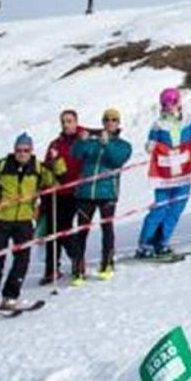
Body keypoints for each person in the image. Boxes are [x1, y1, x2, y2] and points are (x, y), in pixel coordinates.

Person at [0, 134, 55, 308]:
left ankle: (11, 294)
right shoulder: (4, 164)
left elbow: (55, 179)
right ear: (14, 150)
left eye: (26, 150)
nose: (22, 154)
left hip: (24, 219)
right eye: (19, 150)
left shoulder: (38, 168)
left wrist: (57, 163)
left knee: (22, 259)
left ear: (31, 151)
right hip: (1, 218)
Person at [138, 88, 191, 257]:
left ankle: (161, 242)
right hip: (164, 174)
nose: (169, 106)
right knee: (160, 208)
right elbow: (151, 142)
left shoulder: (190, 120)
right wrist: (150, 145)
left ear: (179, 102)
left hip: (184, 172)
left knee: (175, 209)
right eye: (165, 103)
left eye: (172, 102)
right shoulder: (158, 124)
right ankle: (145, 244)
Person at [69, 108, 133, 280]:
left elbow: (117, 160)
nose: (110, 122)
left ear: (118, 123)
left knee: (107, 228)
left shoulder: (123, 145)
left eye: (114, 120)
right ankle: (78, 268)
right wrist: (81, 142)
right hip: (86, 192)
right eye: (107, 119)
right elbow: (75, 154)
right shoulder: (92, 141)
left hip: (107, 192)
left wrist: (108, 145)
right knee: (81, 231)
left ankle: (107, 262)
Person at [40, 110, 89, 284]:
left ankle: (77, 259)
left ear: (76, 122)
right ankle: (51, 269)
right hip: (58, 192)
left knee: (65, 229)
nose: (66, 124)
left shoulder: (83, 139)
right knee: (52, 230)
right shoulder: (56, 144)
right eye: (63, 121)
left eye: (69, 121)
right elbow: (45, 167)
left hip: (78, 191)